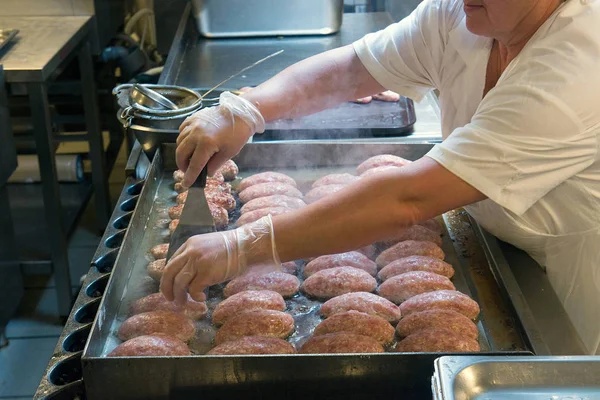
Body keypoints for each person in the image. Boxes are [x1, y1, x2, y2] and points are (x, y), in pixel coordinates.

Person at [161, 0, 600, 354]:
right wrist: (249, 108)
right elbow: (354, 68)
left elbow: (405, 200)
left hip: (571, 281)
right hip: (502, 242)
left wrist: (243, 246)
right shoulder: (469, 13)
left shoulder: (580, 63)